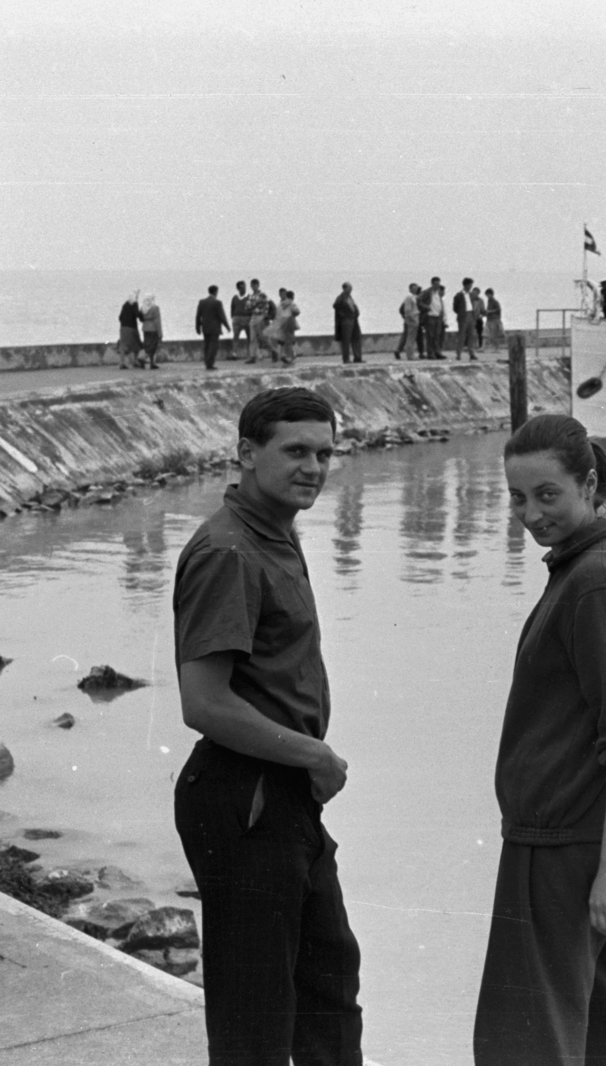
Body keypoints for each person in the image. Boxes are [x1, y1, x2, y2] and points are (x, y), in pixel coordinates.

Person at [172, 387, 363, 1065]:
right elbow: (204, 701)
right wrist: (314, 754)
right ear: (247, 455)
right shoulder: (229, 551)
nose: (313, 466)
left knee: (330, 985)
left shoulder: (274, 533)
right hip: (246, 792)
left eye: (324, 453)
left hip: (286, 796)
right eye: (295, 451)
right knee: (255, 1018)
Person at [475, 413, 606, 1066]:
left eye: (548, 494)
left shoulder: (591, 585)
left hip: (566, 844)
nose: (531, 513)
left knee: (525, 1037)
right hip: (592, 837)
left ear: (589, 486)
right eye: (519, 498)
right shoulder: (588, 569)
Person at [195, 285, 231, 371]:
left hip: (205, 327)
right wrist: (227, 327)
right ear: (215, 292)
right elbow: (222, 316)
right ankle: (210, 364)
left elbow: (198, 316)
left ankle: (207, 363)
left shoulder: (202, 302)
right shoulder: (217, 303)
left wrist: (197, 327)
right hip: (214, 328)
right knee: (213, 346)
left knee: (207, 346)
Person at [333, 282, 363, 363]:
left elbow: (353, 306)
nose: (351, 289)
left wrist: (356, 312)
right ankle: (346, 359)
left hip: (353, 319)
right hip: (346, 321)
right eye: (349, 288)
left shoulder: (349, 297)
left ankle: (357, 357)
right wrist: (343, 315)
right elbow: (336, 306)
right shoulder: (341, 297)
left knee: (356, 337)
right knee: (346, 340)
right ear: (345, 288)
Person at [117, 292, 144, 370]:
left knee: (123, 346)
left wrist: (124, 322)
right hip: (132, 328)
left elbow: (120, 317)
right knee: (136, 344)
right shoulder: (135, 304)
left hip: (123, 328)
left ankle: (122, 363)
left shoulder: (125, 305)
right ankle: (134, 361)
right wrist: (142, 315)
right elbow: (136, 314)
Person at [246, 279, 271, 364]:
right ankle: (252, 357)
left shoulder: (262, 295)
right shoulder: (251, 296)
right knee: (252, 338)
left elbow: (265, 307)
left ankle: (273, 352)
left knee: (263, 338)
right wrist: (255, 305)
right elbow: (247, 307)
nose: (253, 287)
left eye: (254, 285)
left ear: (258, 285)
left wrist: (254, 306)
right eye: (252, 285)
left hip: (260, 317)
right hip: (253, 316)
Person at [454, 277, 479, 360]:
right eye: (470, 285)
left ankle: (472, 353)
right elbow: (455, 308)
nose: (471, 287)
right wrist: (461, 313)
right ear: (466, 285)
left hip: (471, 316)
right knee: (461, 336)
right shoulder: (458, 295)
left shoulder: (471, 295)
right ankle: (458, 354)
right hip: (463, 317)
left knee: (471, 336)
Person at [396, 283, 421, 360]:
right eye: (413, 288)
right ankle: (410, 355)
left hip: (414, 318)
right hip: (412, 319)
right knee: (410, 338)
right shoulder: (409, 297)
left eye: (416, 288)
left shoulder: (414, 297)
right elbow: (407, 310)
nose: (415, 289)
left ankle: (411, 354)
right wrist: (413, 319)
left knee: (411, 338)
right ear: (410, 289)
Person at [425, 277, 447, 359]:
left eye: (438, 284)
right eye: (436, 284)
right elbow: (419, 300)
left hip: (438, 317)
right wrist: (426, 308)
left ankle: (437, 352)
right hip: (430, 316)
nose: (437, 286)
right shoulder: (427, 292)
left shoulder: (438, 294)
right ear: (432, 284)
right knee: (430, 336)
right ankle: (430, 353)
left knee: (437, 336)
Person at [277, 290, 301, 366]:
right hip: (290, 324)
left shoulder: (281, 304)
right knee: (290, 340)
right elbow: (297, 311)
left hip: (282, 324)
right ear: (293, 297)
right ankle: (292, 355)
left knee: (283, 341)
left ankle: (283, 355)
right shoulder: (291, 303)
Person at [140, 294, 164, 369]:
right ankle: (151, 362)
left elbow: (141, 319)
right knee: (153, 346)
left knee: (146, 344)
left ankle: (142, 358)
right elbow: (157, 321)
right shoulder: (155, 308)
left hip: (145, 328)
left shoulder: (142, 308)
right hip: (153, 329)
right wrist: (160, 333)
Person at [229, 281, 250, 361]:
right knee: (236, 336)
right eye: (242, 287)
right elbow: (232, 308)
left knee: (249, 337)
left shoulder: (249, 297)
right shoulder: (235, 297)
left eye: (244, 287)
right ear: (238, 288)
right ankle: (234, 353)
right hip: (237, 319)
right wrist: (233, 317)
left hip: (247, 318)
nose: (244, 289)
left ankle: (249, 354)